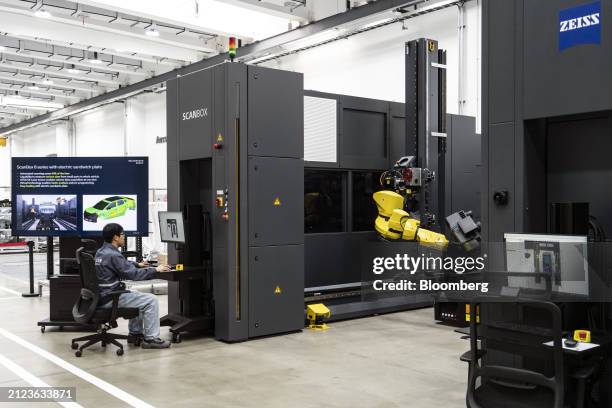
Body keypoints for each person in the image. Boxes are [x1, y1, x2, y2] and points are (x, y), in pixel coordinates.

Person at [96, 223, 171, 349]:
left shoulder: (101, 251)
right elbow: (134, 275)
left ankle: (135, 333)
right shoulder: (113, 255)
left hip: (102, 295)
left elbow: (121, 263)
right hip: (110, 298)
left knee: (137, 295)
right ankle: (151, 339)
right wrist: (156, 270)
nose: (124, 237)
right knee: (150, 300)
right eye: (122, 234)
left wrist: (137, 264)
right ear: (115, 237)